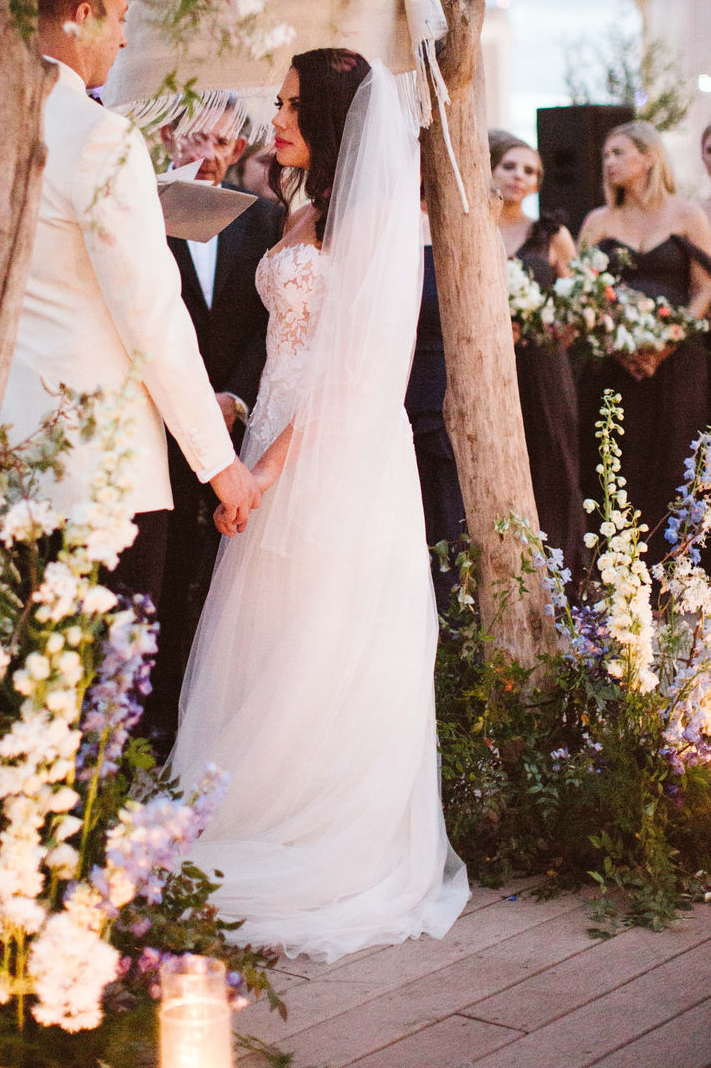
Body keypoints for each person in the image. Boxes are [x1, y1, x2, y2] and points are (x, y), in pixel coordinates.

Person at [170, 48, 469, 962]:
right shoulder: (299, 210)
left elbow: (352, 376)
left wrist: (268, 471)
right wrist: (239, 416)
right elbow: (288, 347)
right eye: (282, 101)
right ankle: (258, 803)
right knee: (266, 638)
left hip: (335, 457)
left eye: (297, 106)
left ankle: (319, 828)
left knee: (327, 641)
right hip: (270, 442)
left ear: (338, 120)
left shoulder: (377, 216)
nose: (281, 117)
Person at [0, 0, 261, 606]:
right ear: (82, 17)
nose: (126, 36)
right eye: (119, 17)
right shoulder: (101, 137)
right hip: (103, 485)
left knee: (30, 697)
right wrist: (220, 466)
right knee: (104, 695)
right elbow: (153, 317)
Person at [151, 109, 284, 749]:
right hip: (156, 425)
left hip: (237, 423)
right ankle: (157, 715)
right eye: (198, 135)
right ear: (170, 135)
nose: (210, 151)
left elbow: (273, 324)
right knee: (165, 572)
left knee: (226, 574)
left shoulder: (260, 219)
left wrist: (235, 396)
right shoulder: (144, 213)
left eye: (224, 140)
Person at [579, 119, 711, 558]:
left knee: (677, 456)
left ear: (649, 155)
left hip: (680, 359)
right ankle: (620, 571)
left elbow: (706, 286)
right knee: (619, 459)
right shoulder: (598, 222)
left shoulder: (687, 214)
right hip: (615, 361)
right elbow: (583, 291)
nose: (609, 163)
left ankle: (678, 572)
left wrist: (672, 336)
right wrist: (620, 343)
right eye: (605, 156)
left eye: (618, 153)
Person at [490, 132, 584, 577]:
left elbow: (583, 299)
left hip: (543, 364)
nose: (519, 176)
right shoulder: (473, 225)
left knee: (551, 459)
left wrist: (553, 326)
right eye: (510, 166)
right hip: (488, 364)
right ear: (491, 169)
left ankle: (558, 573)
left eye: (530, 171)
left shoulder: (551, 233)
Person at [405, 202, 465, 613]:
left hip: (445, 393)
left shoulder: (460, 218)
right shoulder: (375, 216)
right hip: (390, 389)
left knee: (449, 517)